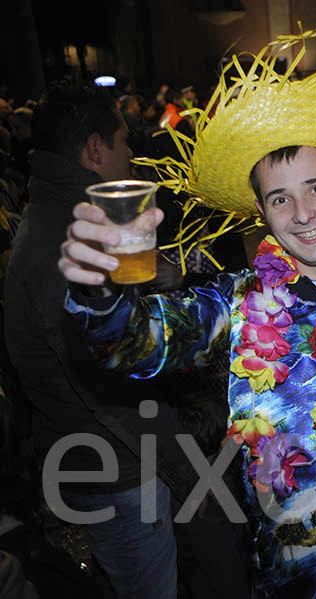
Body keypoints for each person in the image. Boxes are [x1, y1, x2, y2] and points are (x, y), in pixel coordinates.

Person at [58, 32, 316, 598]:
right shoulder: (236, 306)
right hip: (295, 583)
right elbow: (134, 342)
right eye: (280, 198)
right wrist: (97, 291)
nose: (304, 213)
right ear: (261, 211)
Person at [5, 83, 186, 599]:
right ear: (93, 150)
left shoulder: (63, 218)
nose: (132, 154)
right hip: (117, 469)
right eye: (124, 141)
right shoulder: (67, 243)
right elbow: (98, 382)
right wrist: (172, 459)